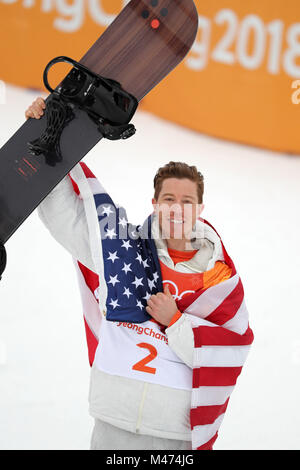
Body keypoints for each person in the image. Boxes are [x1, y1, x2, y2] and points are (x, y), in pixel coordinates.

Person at [24, 97, 253, 451]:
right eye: (168, 199)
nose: (177, 208)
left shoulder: (219, 279)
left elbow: (229, 354)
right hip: (112, 419)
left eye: (187, 201)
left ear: (200, 208)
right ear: (155, 204)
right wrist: (41, 136)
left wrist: (176, 321)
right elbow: (66, 217)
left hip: (173, 434)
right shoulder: (123, 250)